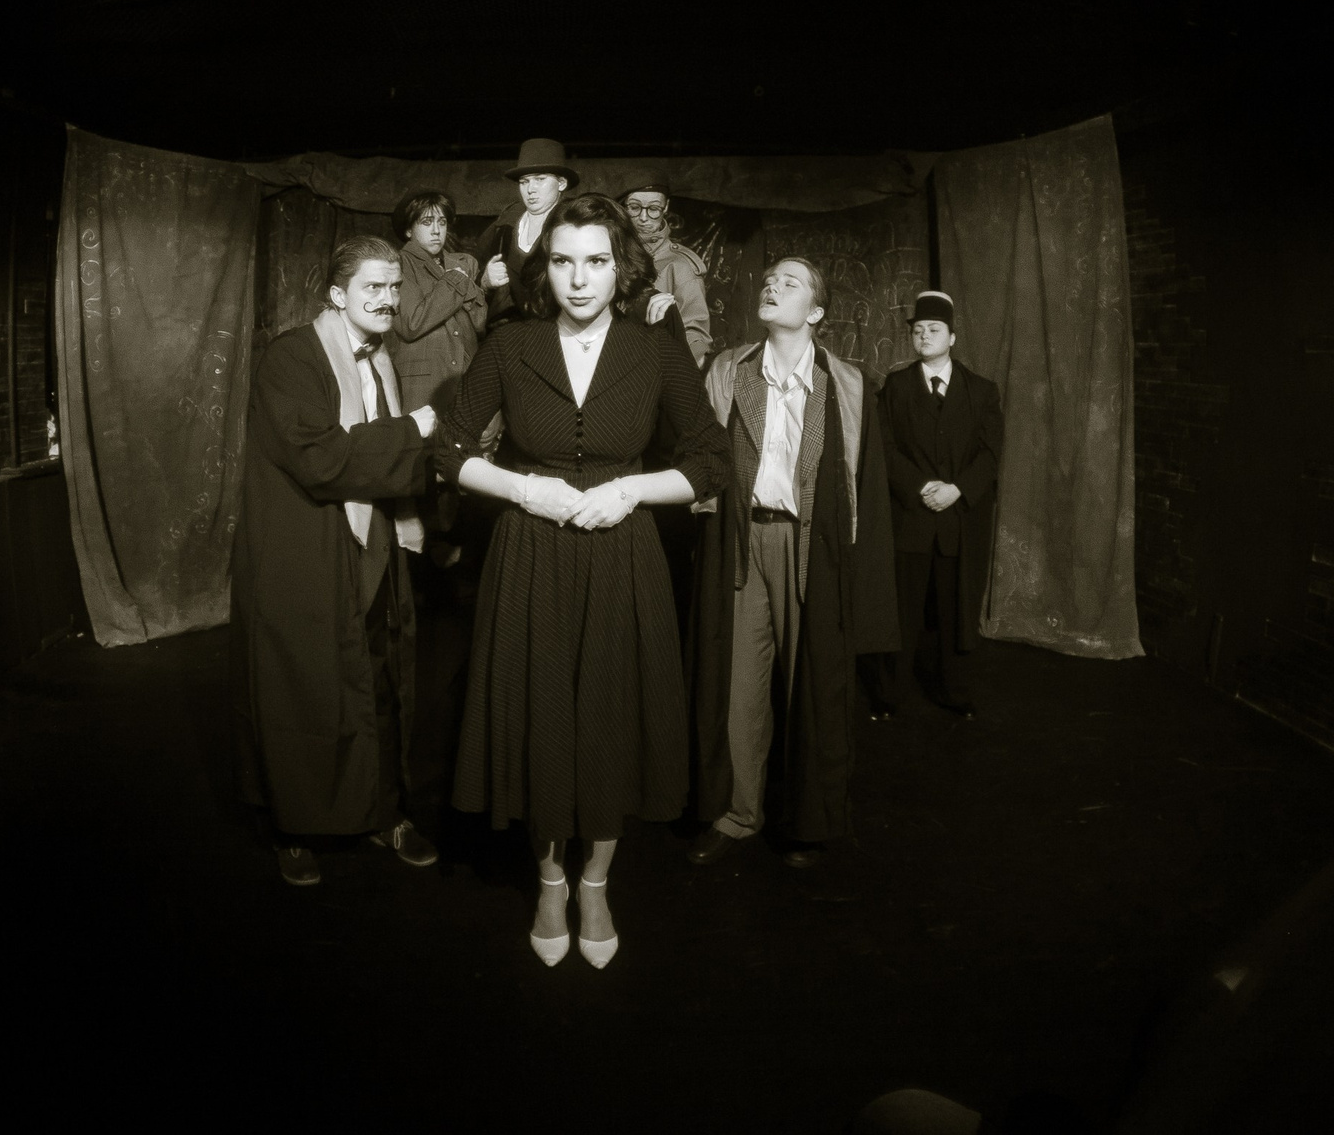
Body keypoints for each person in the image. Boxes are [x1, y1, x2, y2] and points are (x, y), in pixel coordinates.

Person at [437, 193, 728, 968]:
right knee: (541, 718)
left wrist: (632, 490)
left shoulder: (655, 348)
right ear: (546, 268)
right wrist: (522, 488)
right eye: (563, 261)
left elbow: (712, 458)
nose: (578, 278)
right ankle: (549, 881)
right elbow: (448, 450)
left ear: (620, 267)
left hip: (621, 553)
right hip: (528, 552)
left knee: (606, 720)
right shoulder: (510, 344)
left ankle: (595, 883)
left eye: (595, 261)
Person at [229, 236, 441, 886]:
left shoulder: (381, 359)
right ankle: (293, 828)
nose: (387, 299)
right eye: (372, 287)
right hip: (303, 544)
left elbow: (375, 454)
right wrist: (417, 429)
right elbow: (319, 457)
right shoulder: (293, 357)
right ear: (336, 294)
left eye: (394, 287)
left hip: (373, 540)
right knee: (301, 688)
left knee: (377, 679)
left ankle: (382, 813)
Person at [685, 257, 899, 870]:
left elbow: (865, 489)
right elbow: (701, 456)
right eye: (770, 279)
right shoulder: (728, 370)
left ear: (817, 312)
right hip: (740, 541)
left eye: (791, 282)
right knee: (738, 684)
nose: (772, 286)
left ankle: (810, 821)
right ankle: (737, 814)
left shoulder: (847, 385)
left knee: (813, 684)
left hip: (812, 549)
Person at [870, 291, 1002, 719]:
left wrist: (957, 489)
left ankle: (955, 693)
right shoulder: (896, 387)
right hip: (910, 518)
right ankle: (889, 696)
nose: (924, 336)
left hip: (959, 521)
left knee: (955, 609)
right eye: (918, 330)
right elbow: (884, 448)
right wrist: (922, 485)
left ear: (953, 337)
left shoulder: (981, 391)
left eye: (934, 329)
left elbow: (990, 454)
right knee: (901, 610)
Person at [386, 188, 485, 418]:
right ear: (409, 229)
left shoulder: (461, 263)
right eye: (427, 222)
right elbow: (411, 324)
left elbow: (480, 324)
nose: (436, 230)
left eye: (442, 222)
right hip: (422, 390)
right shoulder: (398, 264)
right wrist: (455, 282)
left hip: (464, 383)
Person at [470, 138, 578, 328]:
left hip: (559, 330)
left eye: (540, 179)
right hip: (506, 331)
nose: (530, 189)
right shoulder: (505, 224)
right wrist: (485, 282)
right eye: (524, 181)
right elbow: (473, 267)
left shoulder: (575, 223)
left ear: (561, 183)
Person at [622, 174, 714, 367]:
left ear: (666, 207)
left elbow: (694, 334)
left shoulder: (680, 266)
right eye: (635, 207)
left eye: (654, 209)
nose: (644, 218)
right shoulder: (607, 254)